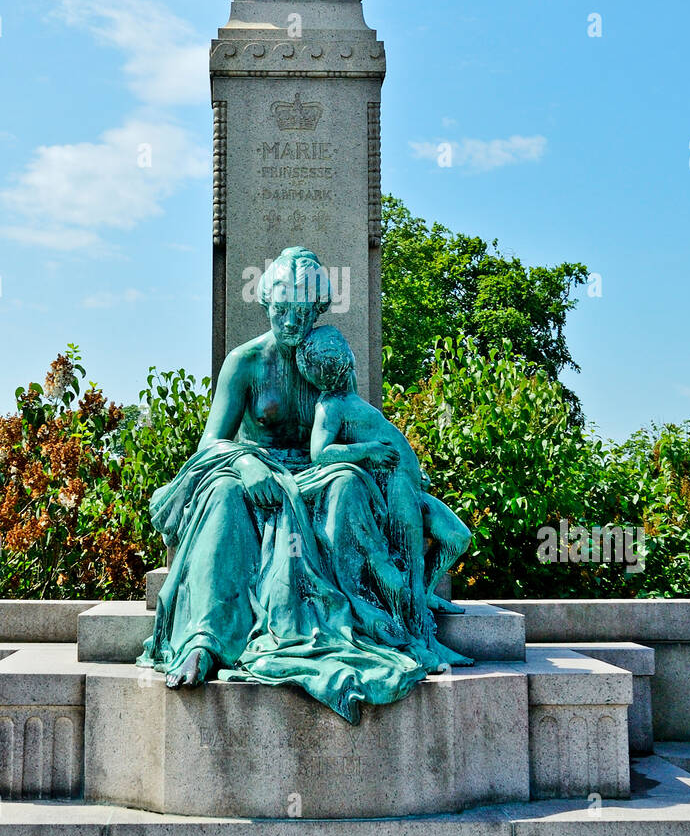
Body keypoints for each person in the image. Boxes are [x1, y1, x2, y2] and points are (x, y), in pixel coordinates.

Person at [137, 247, 471, 723]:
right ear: (265, 302)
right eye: (280, 307)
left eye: (301, 310)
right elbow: (210, 443)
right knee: (224, 496)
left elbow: (356, 431)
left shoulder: (326, 363)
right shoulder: (245, 362)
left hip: (315, 476)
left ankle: (356, 621)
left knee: (349, 483)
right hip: (251, 471)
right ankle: (205, 641)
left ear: (317, 311)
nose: (290, 320)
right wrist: (247, 464)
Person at [297, 324, 471, 634]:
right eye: (334, 354)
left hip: (409, 486)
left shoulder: (352, 398)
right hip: (391, 491)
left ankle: (428, 596)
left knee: (457, 537)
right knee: (411, 566)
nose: (344, 357)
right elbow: (319, 454)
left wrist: (415, 473)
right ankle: (422, 635)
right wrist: (369, 451)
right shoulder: (330, 406)